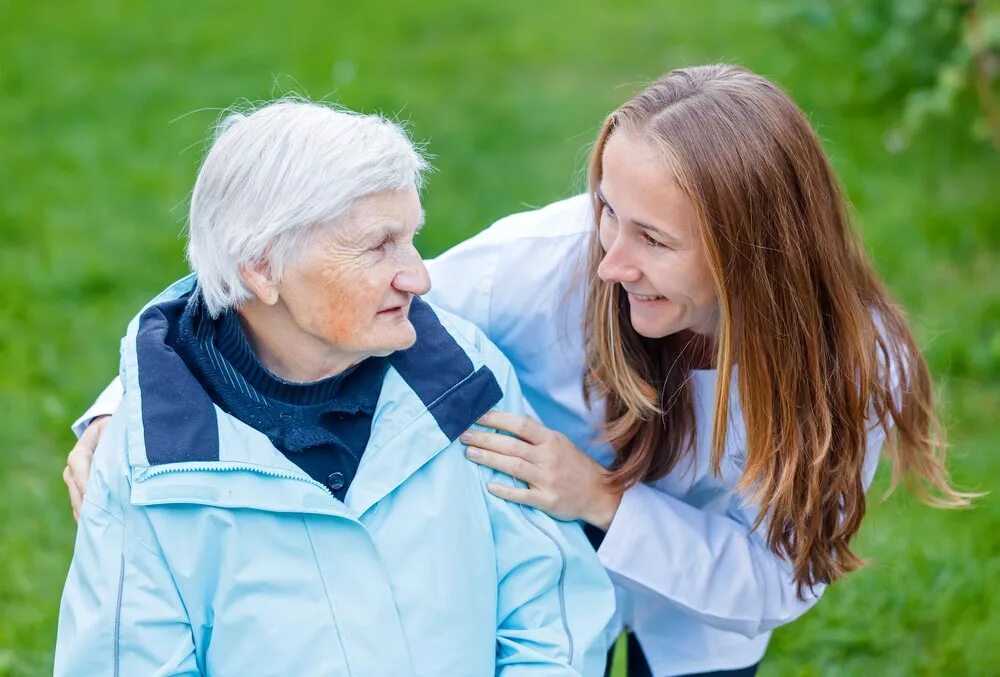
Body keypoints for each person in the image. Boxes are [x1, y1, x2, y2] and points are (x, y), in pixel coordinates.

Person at [65, 66, 971, 677]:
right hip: (536, 566)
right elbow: (303, 293)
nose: (610, 259)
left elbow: (774, 579)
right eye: (606, 210)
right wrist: (122, 412)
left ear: (755, 256)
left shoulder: (854, 371)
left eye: (652, 239)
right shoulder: (541, 264)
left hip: (702, 614)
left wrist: (606, 500)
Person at [54, 100, 615, 676]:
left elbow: (552, 615)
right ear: (262, 268)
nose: (419, 276)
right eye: (379, 245)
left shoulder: (466, 376)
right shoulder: (144, 468)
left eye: (411, 237)